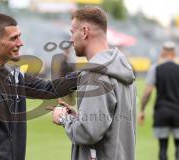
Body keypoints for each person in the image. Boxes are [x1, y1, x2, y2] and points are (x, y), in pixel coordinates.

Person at [0, 13, 77, 160]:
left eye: (20, 36)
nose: (20, 43)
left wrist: (89, 75)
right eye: (14, 38)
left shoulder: (15, 75)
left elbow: (50, 88)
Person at [50, 6, 136, 160]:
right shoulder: (123, 65)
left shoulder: (93, 73)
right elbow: (111, 121)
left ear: (84, 31)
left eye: (72, 32)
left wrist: (63, 118)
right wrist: (80, 117)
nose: (70, 39)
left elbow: (88, 133)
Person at [138, 42, 179, 160]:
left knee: (162, 147)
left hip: (162, 112)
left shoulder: (155, 69)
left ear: (163, 52)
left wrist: (142, 110)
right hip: (178, 113)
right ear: (174, 53)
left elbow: (148, 92)